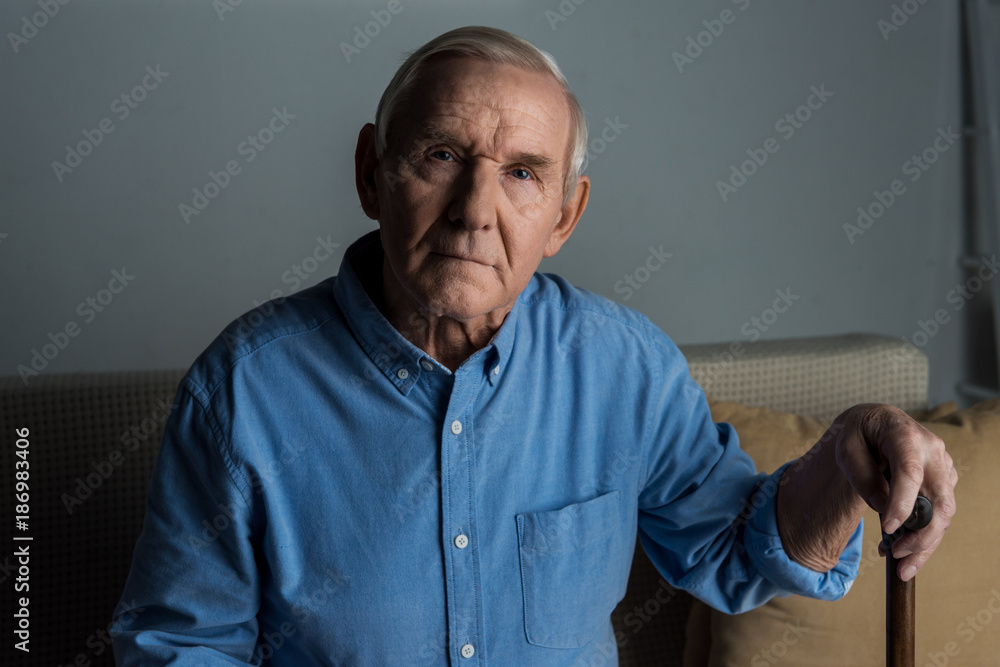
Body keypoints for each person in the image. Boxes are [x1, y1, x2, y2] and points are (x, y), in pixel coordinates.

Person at [111, 25, 957, 665]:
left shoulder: (623, 368)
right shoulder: (243, 390)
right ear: (373, 172)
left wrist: (848, 458)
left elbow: (736, 548)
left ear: (565, 214)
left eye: (523, 173)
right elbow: (182, 646)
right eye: (442, 154)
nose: (476, 208)